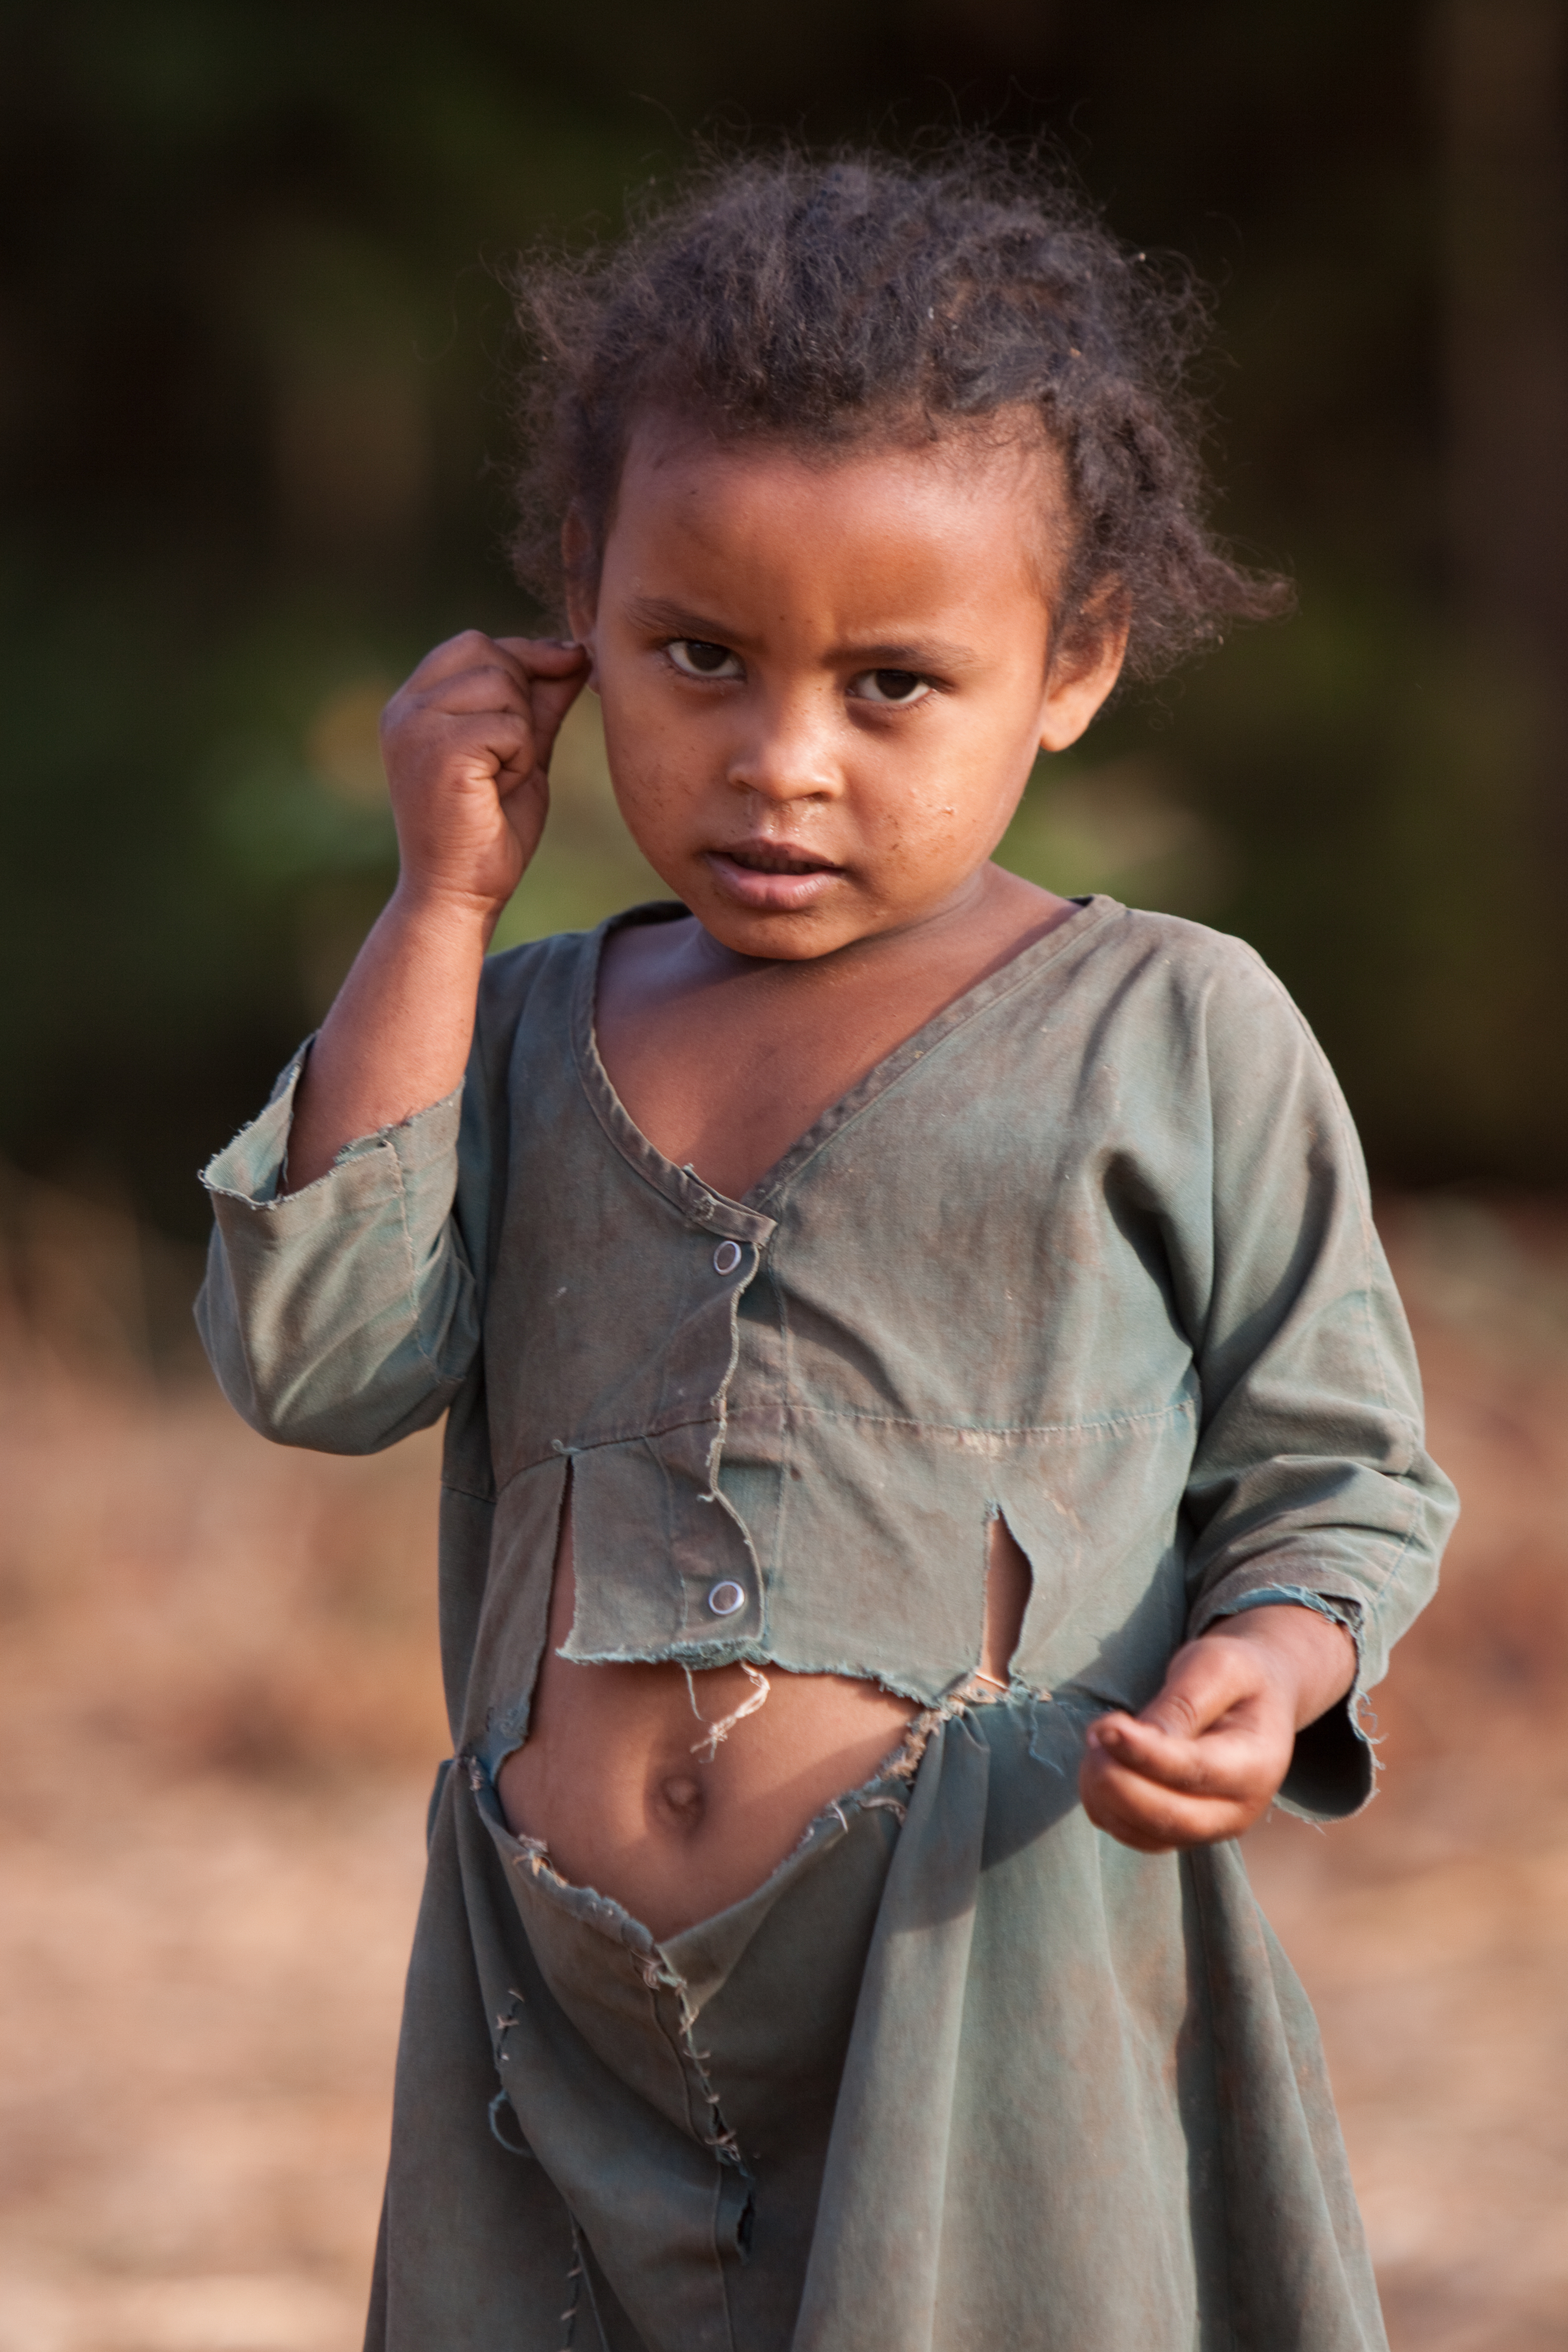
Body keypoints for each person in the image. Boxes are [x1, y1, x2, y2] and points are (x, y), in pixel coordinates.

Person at [197, 147, 1457, 2352]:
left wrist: (1272, 1673)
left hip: (988, 1983)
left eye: (893, 686)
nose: (783, 762)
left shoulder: (1171, 1023)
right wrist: (435, 905)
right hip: (552, 2026)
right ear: (576, 609)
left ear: (1071, 667)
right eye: (699, 655)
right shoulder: (506, 1025)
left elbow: (1337, 1473)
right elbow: (315, 1362)